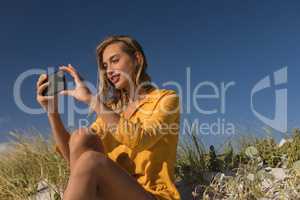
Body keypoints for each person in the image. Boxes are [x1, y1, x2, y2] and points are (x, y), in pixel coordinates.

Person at [36, 35, 181, 200]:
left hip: (151, 195)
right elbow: (74, 161)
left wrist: (91, 99)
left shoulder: (166, 99)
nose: (109, 71)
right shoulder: (112, 111)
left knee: (92, 160)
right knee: (80, 136)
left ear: (137, 59)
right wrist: (52, 112)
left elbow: (141, 140)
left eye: (115, 60)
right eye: (105, 66)